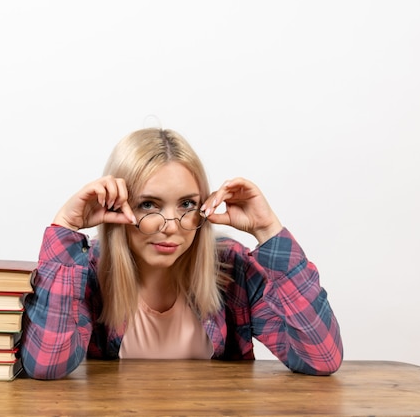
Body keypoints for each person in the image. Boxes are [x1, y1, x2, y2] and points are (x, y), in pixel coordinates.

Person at [21, 128, 343, 379]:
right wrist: (65, 226)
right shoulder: (88, 272)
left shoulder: (231, 269)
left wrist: (268, 229)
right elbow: (47, 365)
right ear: (117, 206)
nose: (172, 226)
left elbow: (322, 357)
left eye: (187, 204)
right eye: (149, 204)